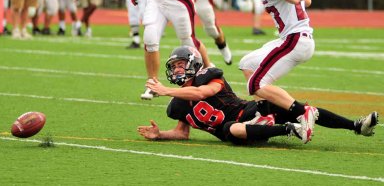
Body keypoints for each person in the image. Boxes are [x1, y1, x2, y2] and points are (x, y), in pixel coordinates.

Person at [137, 46, 378, 145]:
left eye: (181, 65)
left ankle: (357, 126)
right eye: (175, 66)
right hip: (232, 130)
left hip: (249, 111)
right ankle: (290, 130)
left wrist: (166, 89)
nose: (177, 70)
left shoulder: (209, 77)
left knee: (301, 110)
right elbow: (182, 132)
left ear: (193, 65)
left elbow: (202, 93)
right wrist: (161, 135)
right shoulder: (178, 102)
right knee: (233, 130)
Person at [238, 0, 319, 144]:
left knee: (256, 83)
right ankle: (265, 115)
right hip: (291, 37)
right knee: (247, 64)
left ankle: (303, 112)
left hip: (296, 38)